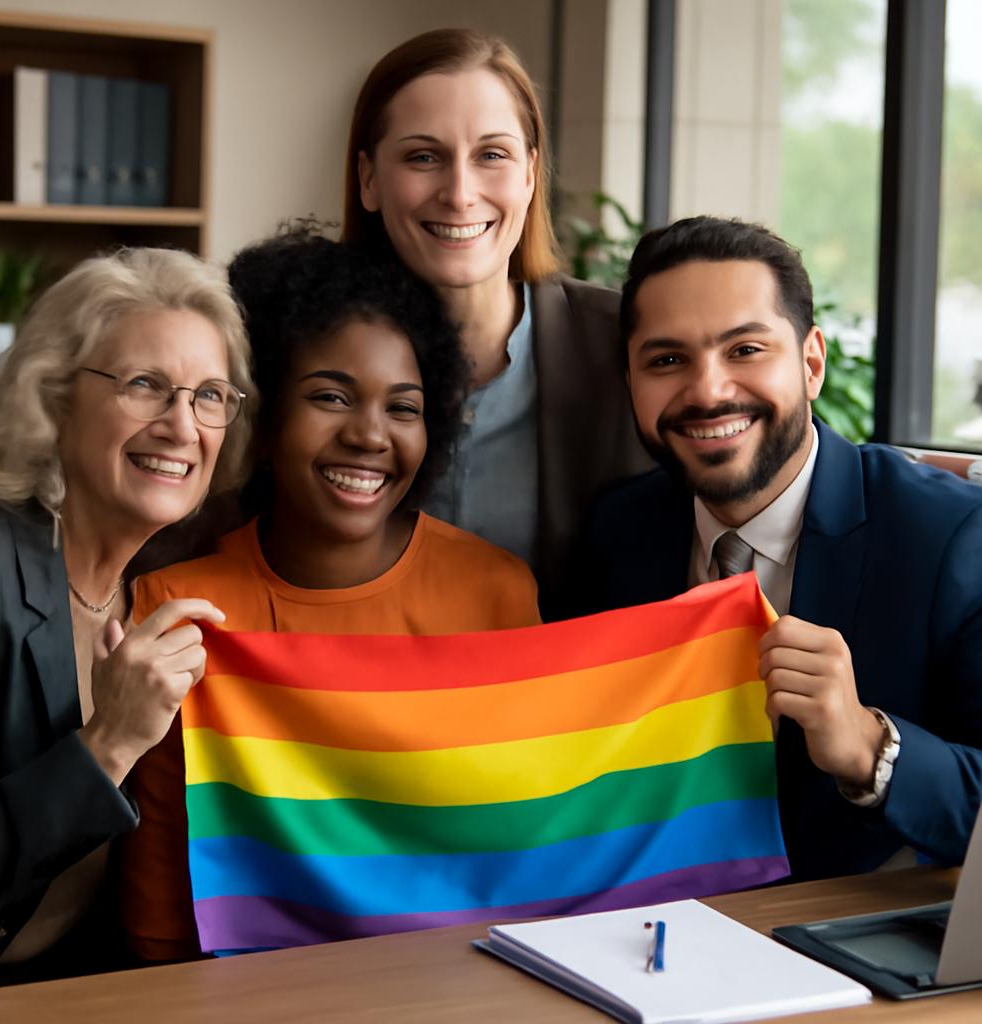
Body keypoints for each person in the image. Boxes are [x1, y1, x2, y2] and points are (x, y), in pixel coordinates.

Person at [120, 227, 541, 961]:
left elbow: (534, 850)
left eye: (403, 407)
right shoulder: (177, 609)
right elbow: (160, 923)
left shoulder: (496, 594)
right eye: (330, 396)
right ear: (264, 412)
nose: (369, 435)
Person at [576, 215, 982, 882]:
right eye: (668, 360)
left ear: (812, 363)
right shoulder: (619, 530)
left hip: (853, 943)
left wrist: (867, 746)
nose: (708, 391)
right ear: (631, 385)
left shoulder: (951, 538)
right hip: (651, 929)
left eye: (745, 350)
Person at [0, 248, 254, 989]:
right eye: (145, 385)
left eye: (210, 394)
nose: (183, 425)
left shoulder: (165, 578)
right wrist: (112, 739)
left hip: (96, 986)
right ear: (53, 396)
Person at [343, 27, 651, 615]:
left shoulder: (625, 345)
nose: (460, 194)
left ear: (531, 173)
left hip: (572, 703)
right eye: (423, 156)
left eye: (492, 155)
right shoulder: (294, 350)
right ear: (368, 178)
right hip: (349, 698)